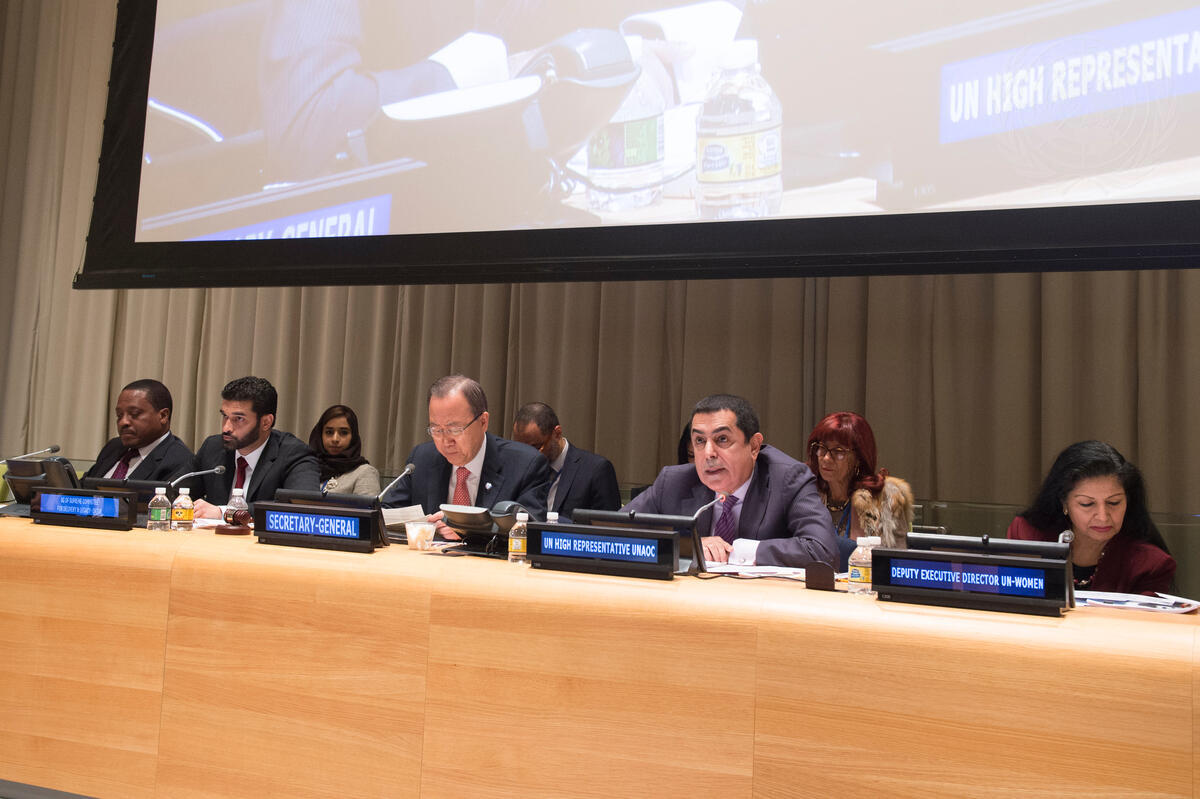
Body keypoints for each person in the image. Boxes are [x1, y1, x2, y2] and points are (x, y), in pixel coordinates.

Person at [622, 394, 835, 568]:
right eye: (699, 440)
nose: (708, 453)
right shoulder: (673, 482)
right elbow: (612, 536)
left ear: (754, 447)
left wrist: (738, 551)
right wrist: (689, 546)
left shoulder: (788, 480)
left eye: (722, 439)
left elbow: (823, 552)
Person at [382, 374, 550, 538]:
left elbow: (531, 532)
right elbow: (387, 514)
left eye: (454, 429)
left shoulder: (525, 464)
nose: (445, 440)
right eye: (436, 429)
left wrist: (468, 527)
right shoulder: (422, 459)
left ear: (483, 422)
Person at [1007, 440, 1175, 595]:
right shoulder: (1027, 535)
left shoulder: (1150, 564)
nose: (1103, 517)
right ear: (1064, 503)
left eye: (1114, 503)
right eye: (1087, 504)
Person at [185, 376, 320, 517]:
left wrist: (225, 513)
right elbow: (176, 493)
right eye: (225, 416)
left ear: (266, 422)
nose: (226, 428)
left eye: (239, 419)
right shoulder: (213, 447)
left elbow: (302, 506)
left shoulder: (294, 454)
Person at [806, 412, 914, 569]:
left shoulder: (883, 500)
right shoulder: (808, 493)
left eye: (838, 451)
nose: (826, 458)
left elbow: (897, 564)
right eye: (821, 448)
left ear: (858, 458)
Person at [511, 401, 620, 518]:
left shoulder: (596, 470)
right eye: (521, 447)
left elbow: (608, 525)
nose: (528, 455)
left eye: (536, 447)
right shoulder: (518, 467)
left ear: (557, 433)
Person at [84, 379, 193, 483]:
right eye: (119, 415)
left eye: (134, 414)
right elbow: (83, 487)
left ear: (163, 416)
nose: (123, 422)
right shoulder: (113, 447)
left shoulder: (180, 461)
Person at [308, 404, 381, 497]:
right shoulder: (308, 468)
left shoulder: (365, 473)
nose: (335, 439)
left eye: (344, 433)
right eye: (329, 432)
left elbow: (367, 506)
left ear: (353, 436)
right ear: (320, 435)